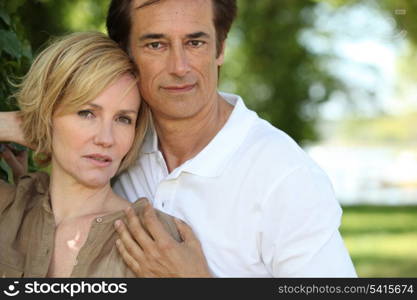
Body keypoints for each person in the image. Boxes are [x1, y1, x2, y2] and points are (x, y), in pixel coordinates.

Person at [2, 0, 357, 277]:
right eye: (156, 44)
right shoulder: (122, 144)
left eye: (195, 42)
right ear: (126, 54)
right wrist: (30, 125)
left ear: (220, 49)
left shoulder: (284, 176)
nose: (179, 67)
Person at [0, 32, 182, 278]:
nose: (106, 139)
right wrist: (13, 125)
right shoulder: (11, 207)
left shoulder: (152, 238)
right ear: (48, 113)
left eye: (123, 119)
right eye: (87, 113)